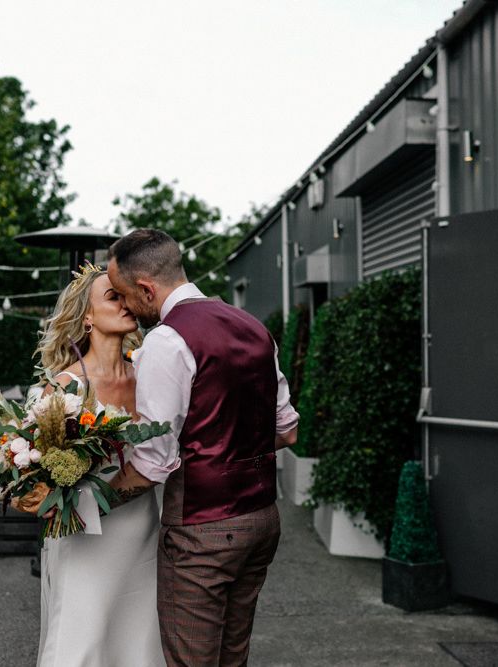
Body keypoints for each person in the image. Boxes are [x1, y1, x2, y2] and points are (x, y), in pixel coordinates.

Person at [107, 228, 299, 667]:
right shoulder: (254, 327)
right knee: (233, 657)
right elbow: (287, 431)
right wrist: (231, 447)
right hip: (262, 521)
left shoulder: (167, 341)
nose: (128, 309)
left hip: (202, 532)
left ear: (146, 288)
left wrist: (90, 504)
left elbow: (152, 463)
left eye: (123, 295)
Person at [17, 264, 165, 667]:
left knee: (138, 643)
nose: (125, 303)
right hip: (85, 536)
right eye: (112, 297)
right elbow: (30, 469)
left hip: (144, 530)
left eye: (126, 295)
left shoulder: (149, 376)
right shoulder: (66, 387)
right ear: (86, 316)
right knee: (78, 643)